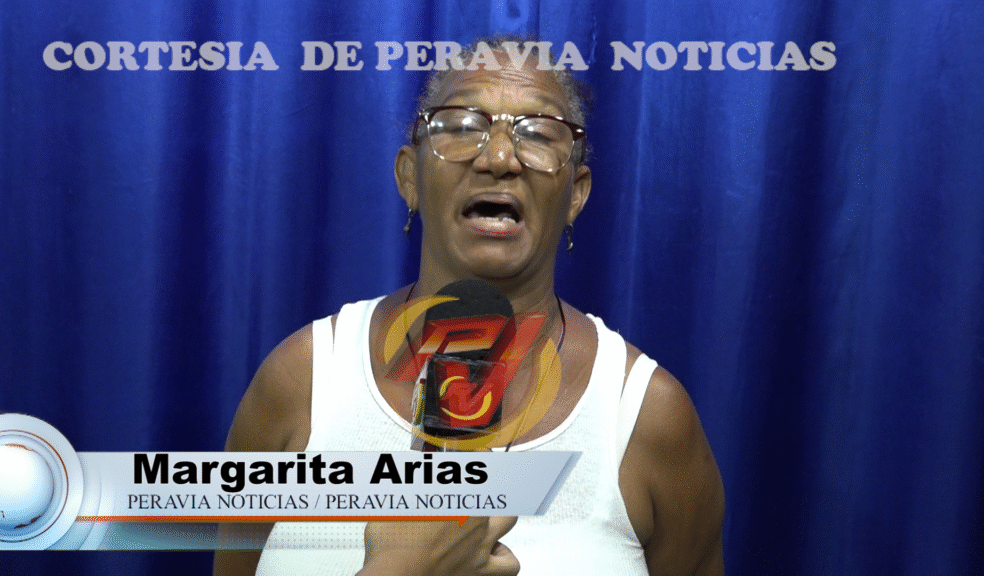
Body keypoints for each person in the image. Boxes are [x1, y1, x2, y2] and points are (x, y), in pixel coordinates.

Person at [214, 38, 724, 576]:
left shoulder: (648, 418)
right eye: (460, 126)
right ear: (410, 177)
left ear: (576, 193)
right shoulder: (302, 381)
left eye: (538, 133)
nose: (499, 158)